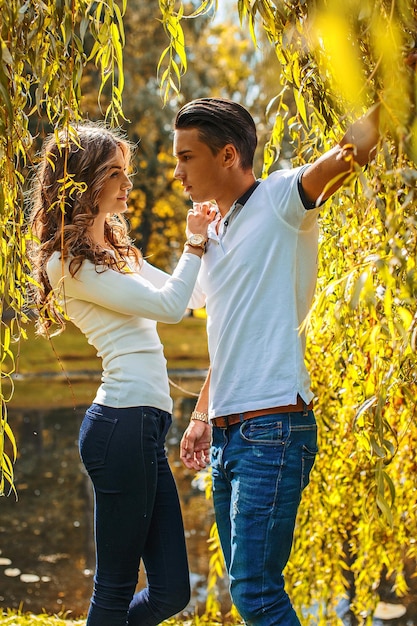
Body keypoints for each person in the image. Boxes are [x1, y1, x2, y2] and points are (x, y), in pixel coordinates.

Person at [176, 97, 382, 625]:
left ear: (226, 156)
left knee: (256, 593)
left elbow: (348, 152)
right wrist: (203, 415)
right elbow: (232, 340)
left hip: (273, 426)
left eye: (186, 157)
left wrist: (399, 88)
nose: (177, 172)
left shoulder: (281, 199)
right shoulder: (212, 236)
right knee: (249, 587)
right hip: (228, 432)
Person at [28, 122, 215, 626]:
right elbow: (171, 307)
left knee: (172, 591)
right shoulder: (66, 264)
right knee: (113, 590)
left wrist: (212, 233)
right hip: (120, 426)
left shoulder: (115, 253)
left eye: (126, 172)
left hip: (144, 428)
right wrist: (194, 244)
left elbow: (191, 297)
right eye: (116, 173)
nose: (127, 184)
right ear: (85, 180)